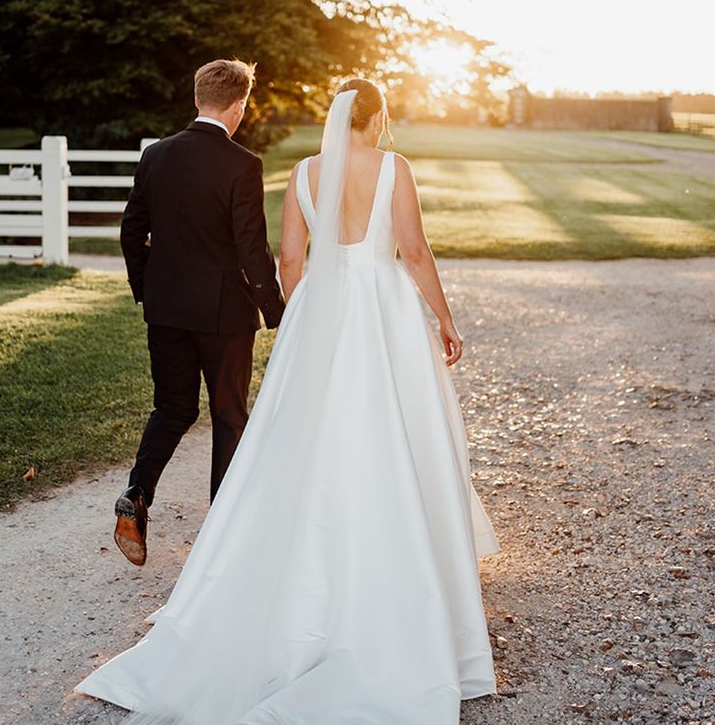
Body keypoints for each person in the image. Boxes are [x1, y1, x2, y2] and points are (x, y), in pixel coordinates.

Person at [77, 78, 499, 724]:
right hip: (382, 311)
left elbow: (291, 262)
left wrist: (305, 320)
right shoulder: (395, 167)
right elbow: (412, 250)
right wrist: (445, 319)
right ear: (378, 117)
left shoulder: (303, 172)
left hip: (320, 316)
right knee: (395, 429)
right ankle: (403, 567)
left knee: (307, 437)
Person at [114, 58, 285, 566]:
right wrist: (276, 311)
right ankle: (223, 532)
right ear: (240, 105)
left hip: (165, 310)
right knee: (229, 415)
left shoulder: (156, 156)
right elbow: (252, 250)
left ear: (196, 98)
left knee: (172, 409)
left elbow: (130, 232)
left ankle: (136, 494)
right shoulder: (242, 164)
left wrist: (149, 290)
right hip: (224, 315)